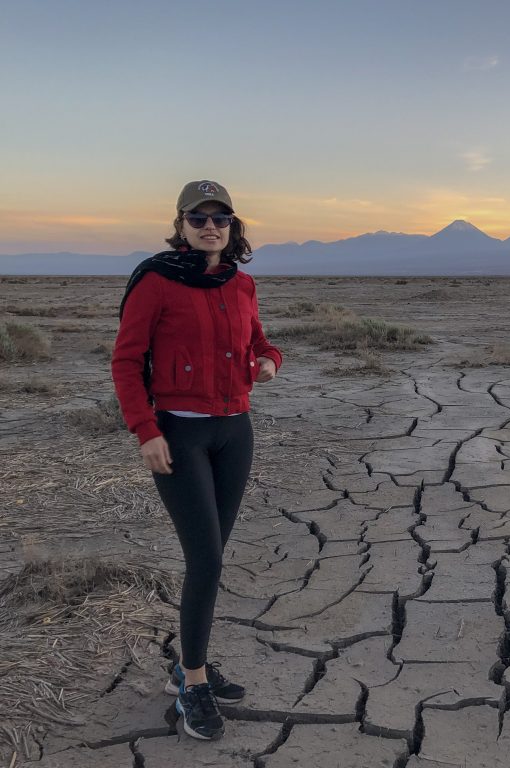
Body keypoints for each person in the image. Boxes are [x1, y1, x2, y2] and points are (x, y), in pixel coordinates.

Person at [111, 180, 282, 741]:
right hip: (180, 437)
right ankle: (193, 683)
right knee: (206, 561)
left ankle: (192, 663)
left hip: (235, 432)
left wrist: (268, 361)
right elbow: (127, 360)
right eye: (198, 217)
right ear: (180, 224)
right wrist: (145, 430)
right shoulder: (157, 281)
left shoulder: (242, 283)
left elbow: (260, 342)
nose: (211, 226)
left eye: (221, 218)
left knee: (211, 558)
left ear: (233, 227)